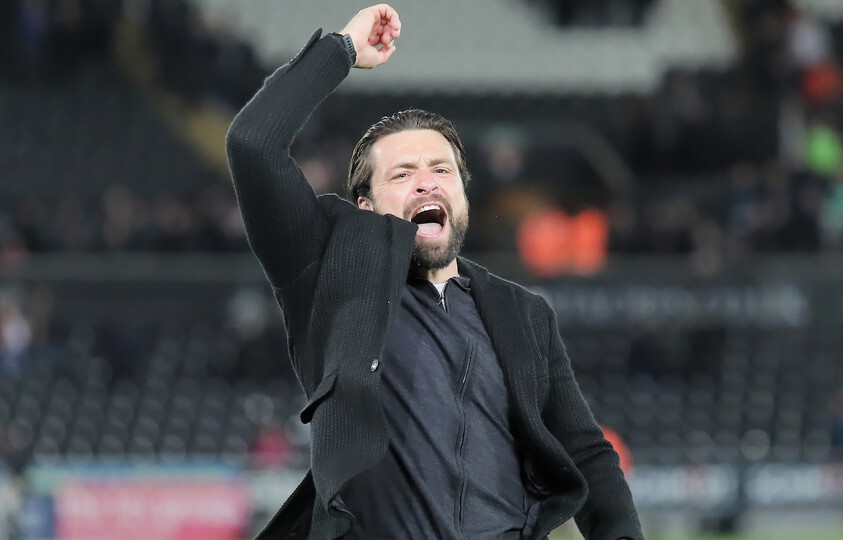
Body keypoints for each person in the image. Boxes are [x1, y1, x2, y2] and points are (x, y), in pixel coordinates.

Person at [226, 4, 642, 539]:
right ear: (366, 206)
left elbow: (585, 451)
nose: (427, 182)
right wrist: (343, 50)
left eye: (441, 169)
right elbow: (253, 143)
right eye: (402, 173)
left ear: (463, 198)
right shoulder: (328, 267)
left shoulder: (523, 312)